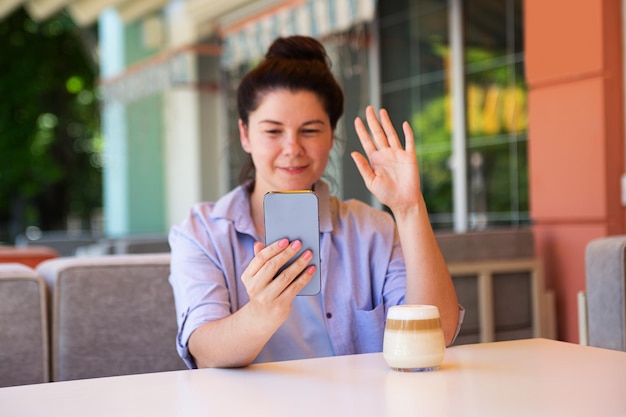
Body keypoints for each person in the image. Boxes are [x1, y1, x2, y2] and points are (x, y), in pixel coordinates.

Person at [169, 35, 462, 369]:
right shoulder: (201, 233)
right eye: (273, 131)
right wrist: (261, 313)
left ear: (331, 136)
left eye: (310, 130)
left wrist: (410, 210)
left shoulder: (372, 230)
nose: (292, 148)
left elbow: (438, 333)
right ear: (245, 134)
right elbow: (204, 352)